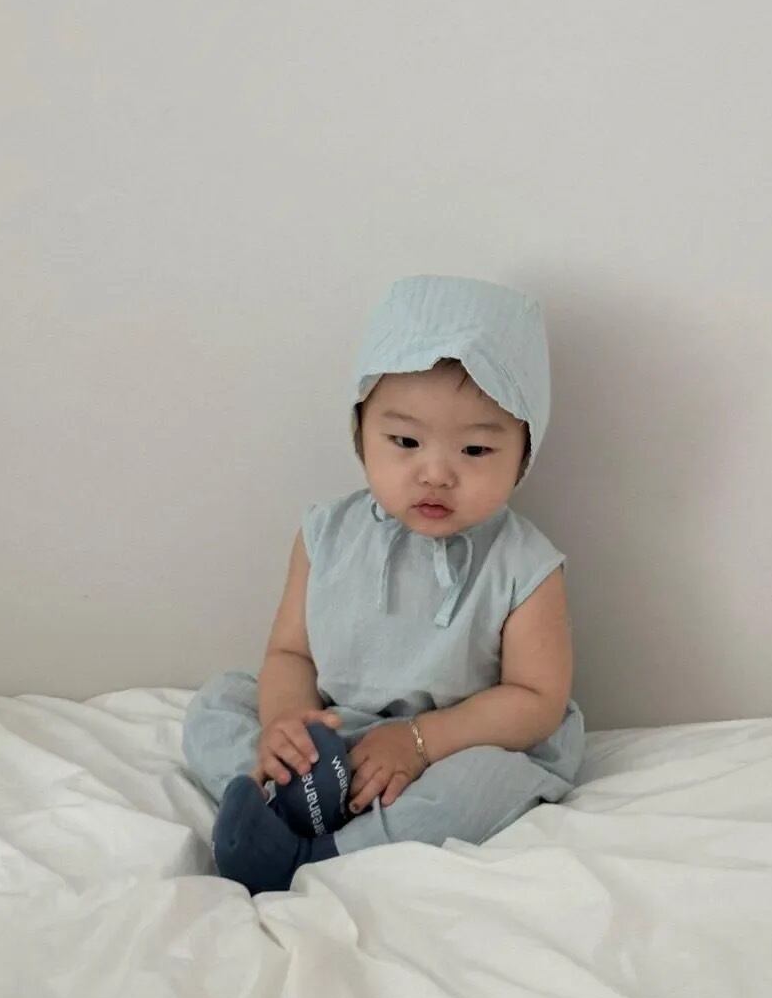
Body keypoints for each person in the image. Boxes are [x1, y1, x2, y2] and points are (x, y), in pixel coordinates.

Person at [181, 274, 586, 894]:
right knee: (217, 705)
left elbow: (536, 701)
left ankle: (321, 853)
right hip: (333, 732)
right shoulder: (325, 536)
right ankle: (286, 791)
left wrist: (421, 742)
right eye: (405, 441)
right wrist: (289, 726)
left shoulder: (525, 566)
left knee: (487, 783)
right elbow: (290, 654)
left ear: (524, 454)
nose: (436, 473)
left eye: (476, 450)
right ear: (360, 434)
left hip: (452, 744)